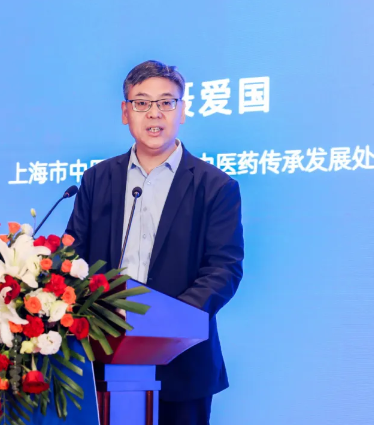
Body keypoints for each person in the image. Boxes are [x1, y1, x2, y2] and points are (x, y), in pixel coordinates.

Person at [65, 60, 244, 425]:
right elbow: (73, 257)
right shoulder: (97, 179)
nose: (154, 113)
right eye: (142, 102)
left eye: (166, 102)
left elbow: (223, 269)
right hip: (102, 356)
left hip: (182, 363)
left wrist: (169, 321)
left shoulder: (215, 186)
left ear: (183, 110)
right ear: (125, 112)